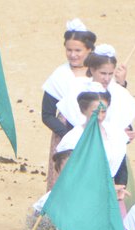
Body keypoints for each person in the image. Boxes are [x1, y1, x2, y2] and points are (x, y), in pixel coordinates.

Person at [41, 18, 96, 187]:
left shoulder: (97, 72)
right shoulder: (59, 75)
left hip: (93, 132)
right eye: (69, 50)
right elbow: (47, 115)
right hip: (65, 136)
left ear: (89, 50)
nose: (73, 55)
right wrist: (67, 134)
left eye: (78, 50)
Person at [55, 85, 130, 186]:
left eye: (103, 112)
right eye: (95, 112)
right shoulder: (73, 139)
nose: (100, 117)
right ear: (84, 110)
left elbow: (121, 168)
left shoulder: (115, 134)